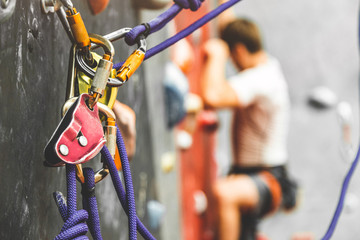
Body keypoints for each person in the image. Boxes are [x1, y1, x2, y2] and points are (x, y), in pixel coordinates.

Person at [200, 3, 297, 240]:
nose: (233, 62)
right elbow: (227, 24)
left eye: (233, 56)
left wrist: (218, 55)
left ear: (239, 51)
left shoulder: (263, 80)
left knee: (225, 194)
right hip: (249, 173)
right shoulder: (266, 65)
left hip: (268, 178)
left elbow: (212, 97)